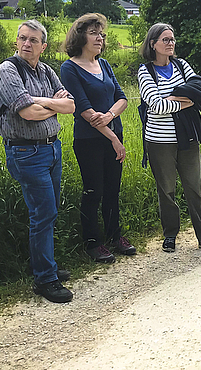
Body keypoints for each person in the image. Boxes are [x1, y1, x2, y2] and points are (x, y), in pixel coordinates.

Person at [0, 20, 76, 303]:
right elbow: (27, 113)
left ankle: (47, 265)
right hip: (26, 152)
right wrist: (51, 104)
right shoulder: (7, 71)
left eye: (33, 40)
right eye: (22, 38)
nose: (26, 44)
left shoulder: (46, 70)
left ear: (44, 46)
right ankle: (45, 279)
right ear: (16, 42)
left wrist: (43, 103)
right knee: (43, 213)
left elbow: (70, 106)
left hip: (52, 149)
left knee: (49, 212)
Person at [138, 23, 201, 251]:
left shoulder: (182, 65)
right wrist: (184, 100)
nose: (171, 44)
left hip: (187, 136)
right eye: (165, 40)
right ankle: (170, 235)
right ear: (153, 44)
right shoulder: (144, 71)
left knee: (195, 188)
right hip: (159, 141)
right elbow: (156, 106)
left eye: (172, 40)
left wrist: (175, 98)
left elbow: (199, 91)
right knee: (167, 190)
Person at [60, 13, 136, 264]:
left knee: (113, 189)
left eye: (101, 34)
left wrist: (110, 115)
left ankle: (115, 235)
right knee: (94, 191)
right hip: (89, 141)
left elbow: (122, 97)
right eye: (94, 33)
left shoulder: (104, 65)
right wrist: (113, 137)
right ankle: (93, 242)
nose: (100, 38)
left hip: (113, 133)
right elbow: (83, 108)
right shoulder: (69, 68)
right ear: (80, 36)